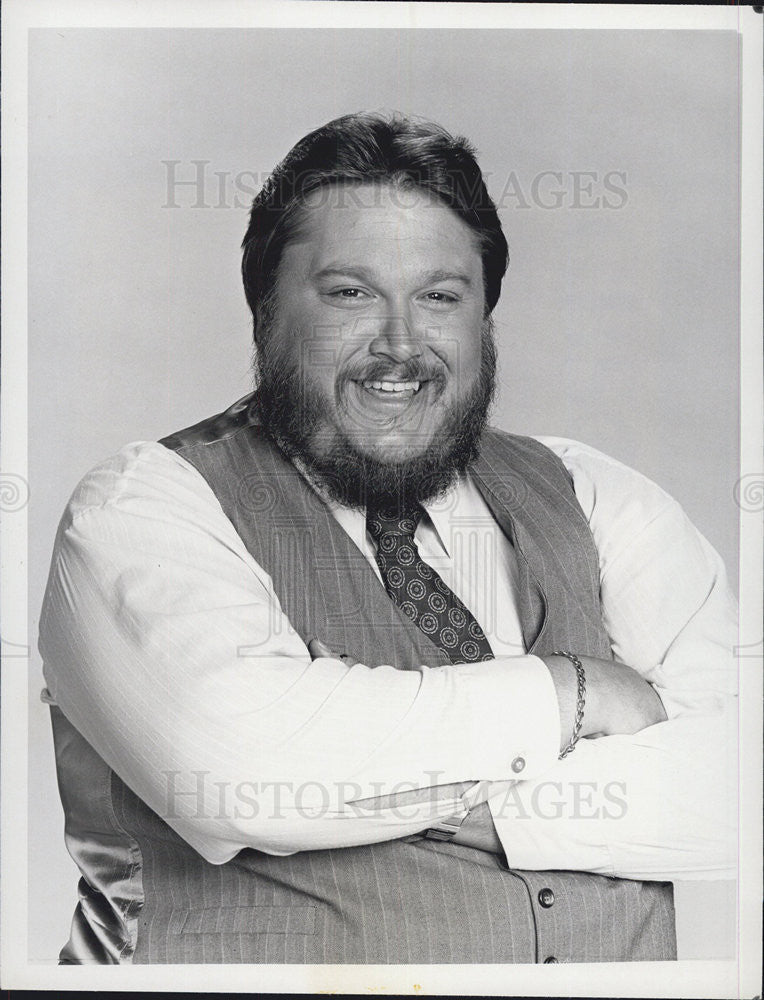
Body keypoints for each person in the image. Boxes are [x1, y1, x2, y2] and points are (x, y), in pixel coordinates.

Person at [39, 112, 737, 965]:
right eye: (350, 293)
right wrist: (574, 692)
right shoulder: (144, 506)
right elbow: (239, 771)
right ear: (264, 305)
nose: (401, 346)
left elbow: (744, 784)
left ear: (485, 317)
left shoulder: (592, 493)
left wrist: (474, 806)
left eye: (441, 297)